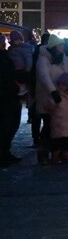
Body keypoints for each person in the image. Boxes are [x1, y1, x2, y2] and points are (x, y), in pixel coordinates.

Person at [34, 35, 68, 164]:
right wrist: (53, 91)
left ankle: (64, 150)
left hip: (65, 96)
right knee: (49, 126)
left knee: (66, 125)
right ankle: (45, 152)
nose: (63, 48)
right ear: (55, 47)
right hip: (49, 98)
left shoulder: (64, 59)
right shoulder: (43, 59)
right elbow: (44, 76)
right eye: (61, 46)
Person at [0, 34, 24, 165]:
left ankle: (5, 151)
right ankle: (2, 153)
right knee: (5, 126)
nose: (4, 44)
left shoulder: (7, 55)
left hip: (11, 95)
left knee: (11, 125)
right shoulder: (4, 57)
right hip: (5, 96)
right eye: (2, 41)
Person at [47, 72, 68, 164]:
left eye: (65, 85)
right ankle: (56, 155)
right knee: (57, 141)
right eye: (62, 84)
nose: (63, 86)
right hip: (58, 122)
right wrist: (54, 101)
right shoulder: (56, 95)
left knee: (66, 141)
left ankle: (65, 154)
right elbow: (50, 106)